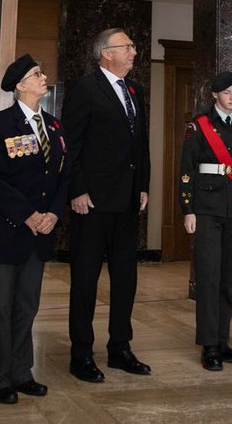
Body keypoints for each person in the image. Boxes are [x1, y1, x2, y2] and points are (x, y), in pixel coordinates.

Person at [0, 54, 69, 403]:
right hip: (8, 230)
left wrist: (53, 214)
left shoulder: (55, 126)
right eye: (36, 73)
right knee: (0, 307)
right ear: (20, 86)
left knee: (27, 305)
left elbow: (64, 177)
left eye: (41, 72)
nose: (44, 77)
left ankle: (20, 372)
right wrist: (29, 214)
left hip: (41, 232)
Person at [62, 28, 151, 383]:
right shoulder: (85, 88)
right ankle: (81, 352)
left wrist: (142, 185)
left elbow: (140, 144)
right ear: (106, 53)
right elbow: (70, 144)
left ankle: (120, 347)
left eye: (133, 46)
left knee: (126, 279)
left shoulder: (135, 90)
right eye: (127, 46)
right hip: (92, 202)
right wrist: (77, 189)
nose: (133, 52)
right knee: (85, 279)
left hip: (127, 201)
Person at [179, 71, 232, 371]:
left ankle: (223, 339)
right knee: (209, 278)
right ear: (215, 95)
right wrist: (188, 210)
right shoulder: (199, 125)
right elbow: (187, 168)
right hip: (207, 208)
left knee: (228, 278)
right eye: (227, 92)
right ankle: (209, 344)